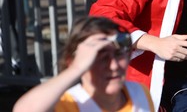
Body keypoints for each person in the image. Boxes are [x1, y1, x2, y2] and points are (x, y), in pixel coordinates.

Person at [13, 16, 155, 112]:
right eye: (100, 57)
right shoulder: (68, 103)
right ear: (75, 61)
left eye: (119, 54)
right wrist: (76, 68)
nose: (114, 66)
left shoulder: (139, 93)